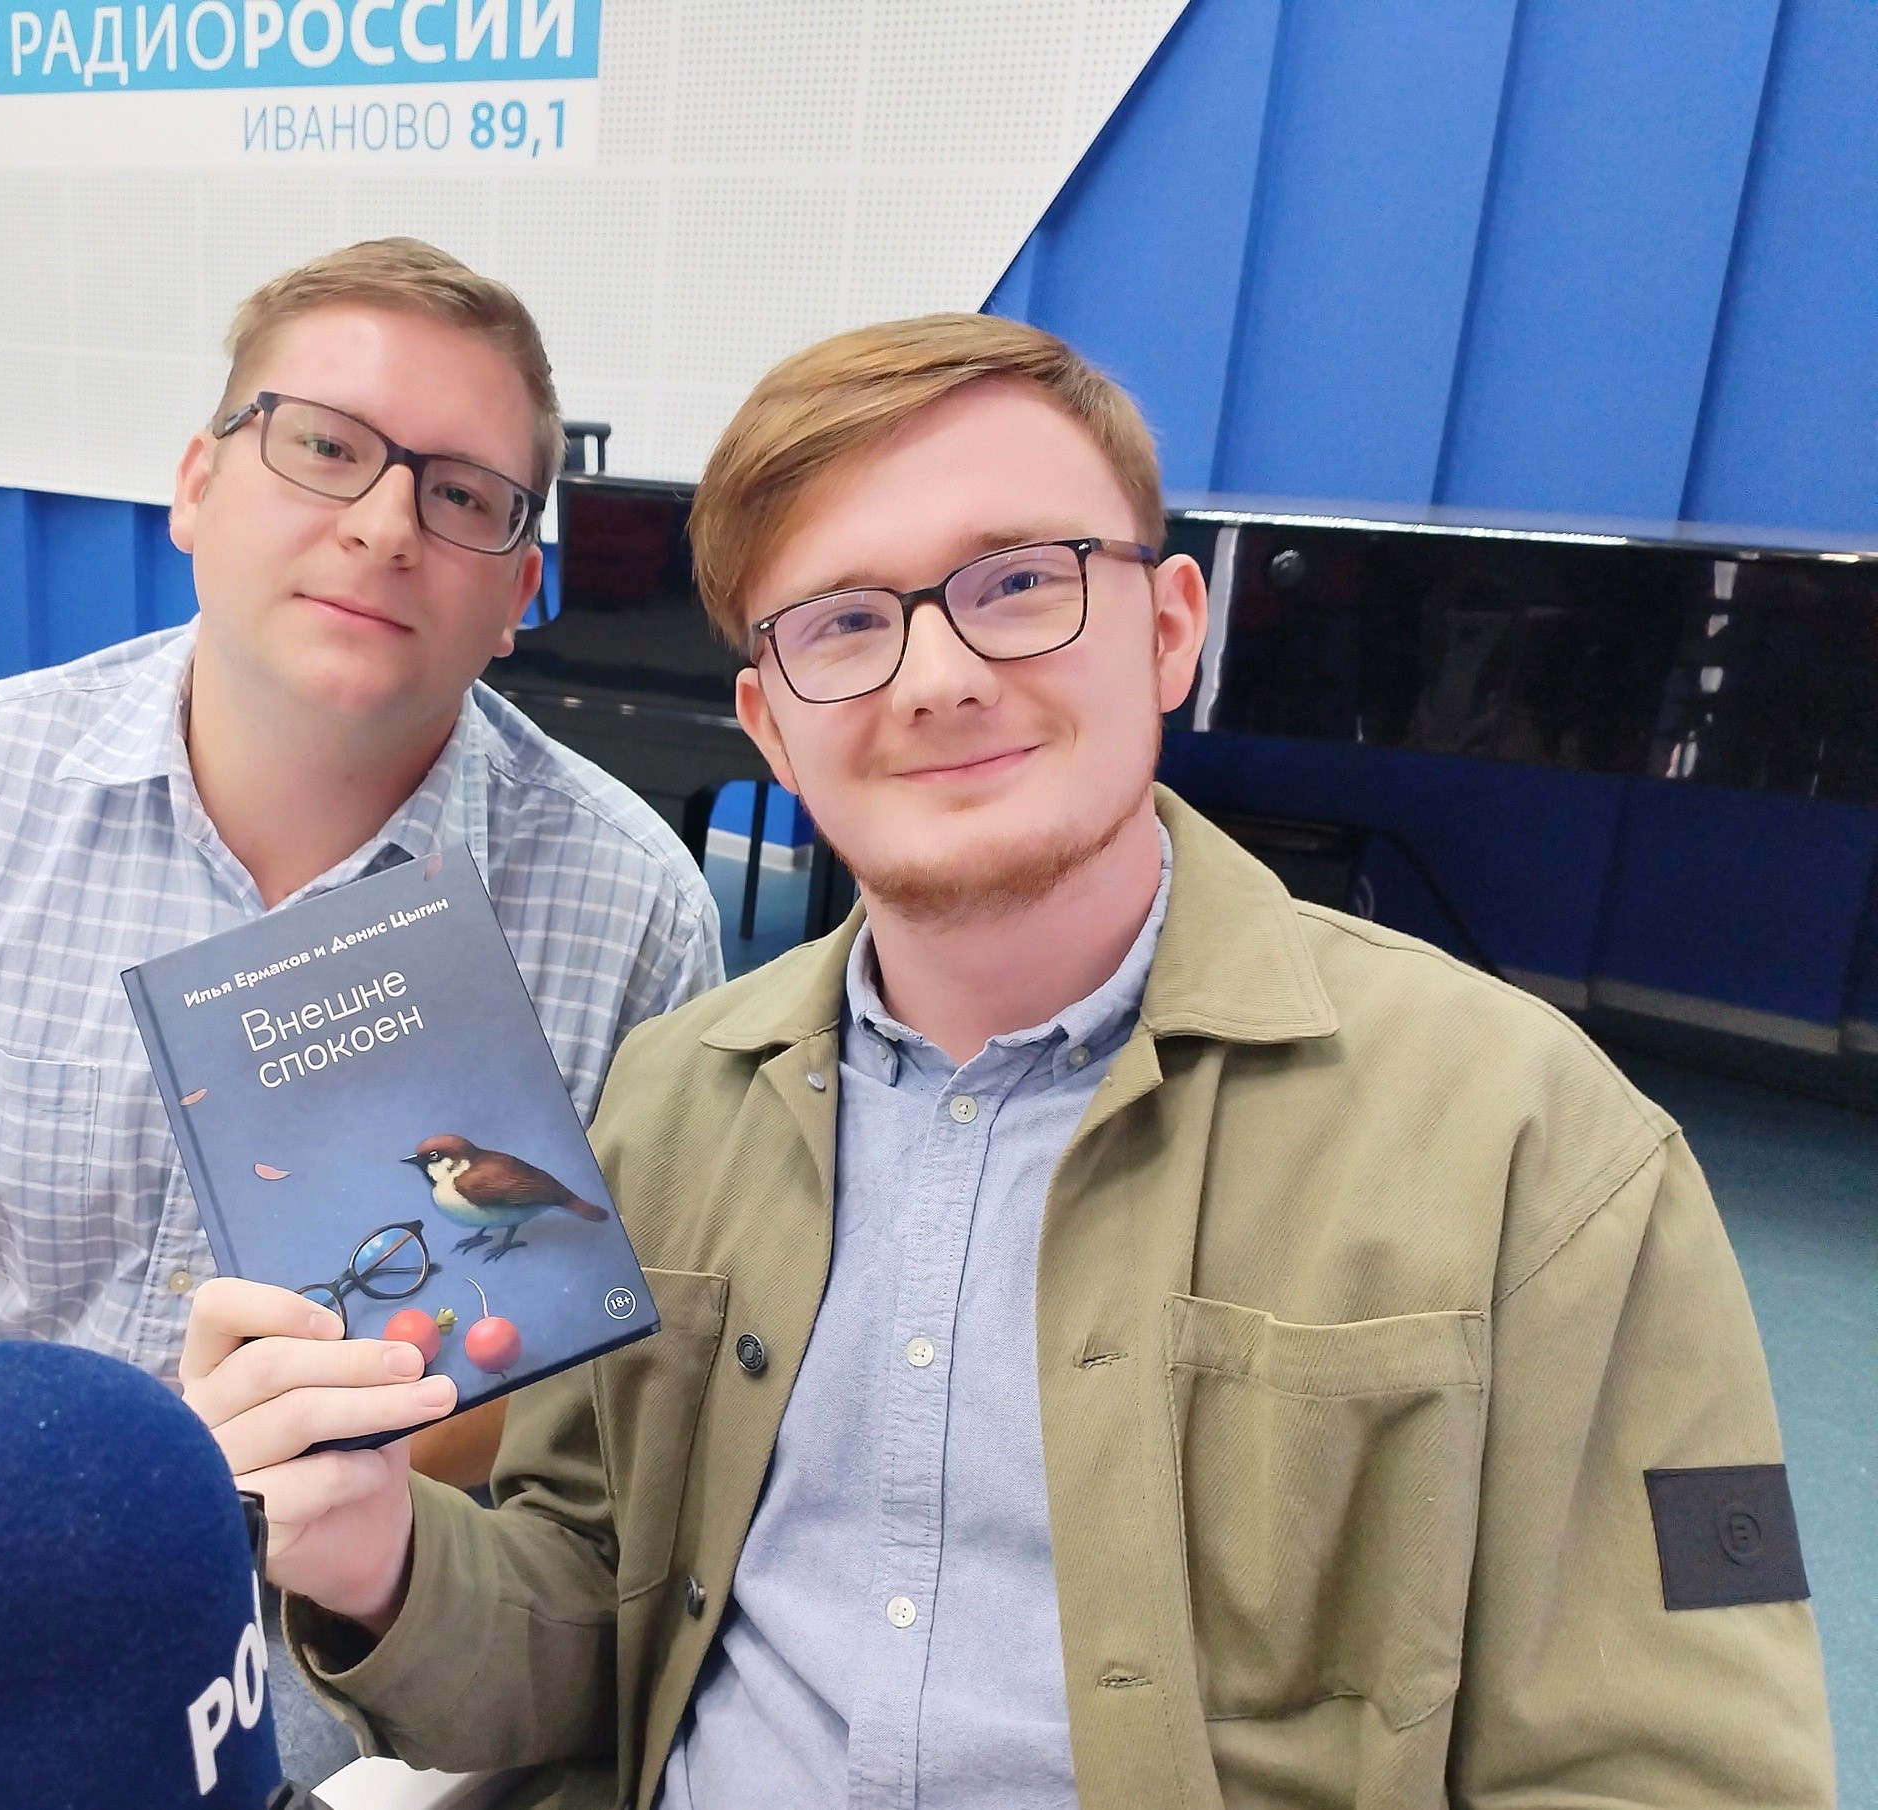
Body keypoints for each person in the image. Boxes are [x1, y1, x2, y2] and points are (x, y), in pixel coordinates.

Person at [179, 313, 1837, 1809]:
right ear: (770, 725)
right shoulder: (673, 1102)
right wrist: (381, 1549)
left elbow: (1672, 1766)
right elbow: (586, 1631)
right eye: (844, 622)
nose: (942, 675)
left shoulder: (1534, 1148)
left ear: (1170, 629)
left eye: (1021, 584)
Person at [0, 238, 722, 1774]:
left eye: (462, 496)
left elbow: (596, 1408)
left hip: (346, 1664)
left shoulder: (631, 913)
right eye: (325, 447)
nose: (382, 525)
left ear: (519, 592)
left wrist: (292, 1495)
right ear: (195, 485)